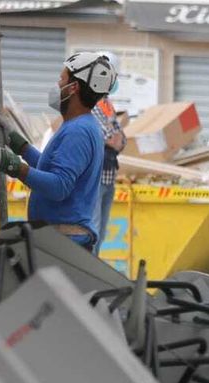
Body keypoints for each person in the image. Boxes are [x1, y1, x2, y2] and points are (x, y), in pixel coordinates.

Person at [0, 51, 114, 252]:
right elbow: (50, 168)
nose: (57, 85)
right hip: (61, 239)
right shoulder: (79, 125)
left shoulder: (78, 131)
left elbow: (59, 187)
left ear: (74, 87)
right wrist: (19, 144)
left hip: (64, 244)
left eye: (61, 79)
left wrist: (13, 166)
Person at [92, 77, 126, 255]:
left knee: (101, 232)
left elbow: (121, 138)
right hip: (96, 178)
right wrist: (113, 138)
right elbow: (104, 136)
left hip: (109, 176)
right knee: (94, 230)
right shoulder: (92, 103)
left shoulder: (107, 104)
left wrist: (114, 138)